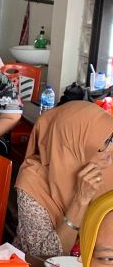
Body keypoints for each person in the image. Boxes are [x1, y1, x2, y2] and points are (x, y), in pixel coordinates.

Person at [14, 101, 113, 259]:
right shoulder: (33, 180)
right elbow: (43, 258)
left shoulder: (106, 167)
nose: (109, 152)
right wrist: (80, 200)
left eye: (111, 140)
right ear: (73, 145)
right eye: (105, 143)